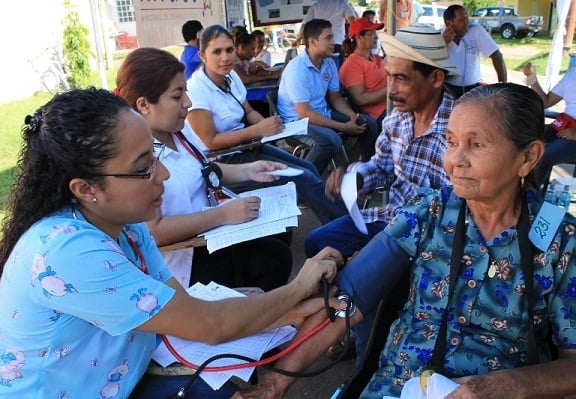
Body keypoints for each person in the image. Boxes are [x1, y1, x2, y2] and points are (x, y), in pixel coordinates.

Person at [0, 87, 343, 398]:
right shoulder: (66, 251)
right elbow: (209, 324)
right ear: (86, 189)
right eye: (143, 167)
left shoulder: (125, 223)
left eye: (156, 156)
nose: (163, 174)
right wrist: (298, 287)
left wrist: (281, 312)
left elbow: (182, 306)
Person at [234, 82, 576, 399]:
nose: (455, 160)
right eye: (452, 142)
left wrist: (510, 384)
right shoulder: (429, 212)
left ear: (529, 157)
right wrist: (275, 383)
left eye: (477, 144)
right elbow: (348, 299)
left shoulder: (561, 239)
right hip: (399, 386)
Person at [304, 23, 456, 362]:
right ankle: (347, 329)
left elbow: (452, 208)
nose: (392, 88)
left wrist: (376, 249)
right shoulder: (398, 119)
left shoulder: (458, 130)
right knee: (316, 243)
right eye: (389, 76)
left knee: (359, 278)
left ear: (436, 79)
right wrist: (355, 177)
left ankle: (364, 350)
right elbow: (383, 166)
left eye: (402, 78)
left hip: (425, 234)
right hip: (390, 212)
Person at [115, 47, 292, 292]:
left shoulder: (177, 131)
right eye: (177, 96)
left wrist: (249, 170)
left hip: (210, 234)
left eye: (185, 92)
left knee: (281, 236)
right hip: (183, 261)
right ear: (144, 105)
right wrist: (223, 215)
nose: (188, 103)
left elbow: (202, 168)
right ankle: (244, 322)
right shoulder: (136, 158)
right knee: (272, 258)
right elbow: (154, 232)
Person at [185, 25, 347, 225]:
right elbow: (210, 141)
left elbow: (249, 111)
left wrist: (270, 126)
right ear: (202, 55)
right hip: (225, 161)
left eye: (229, 50)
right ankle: (347, 228)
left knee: (308, 169)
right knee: (302, 177)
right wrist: (257, 130)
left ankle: (338, 227)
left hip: (248, 146)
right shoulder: (196, 89)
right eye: (216, 52)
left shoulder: (231, 77)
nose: (225, 58)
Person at [278, 19, 371, 174]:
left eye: (333, 37)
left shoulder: (329, 62)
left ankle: (369, 174)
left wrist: (352, 116)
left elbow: (335, 98)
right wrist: (344, 127)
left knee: (367, 123)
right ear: (313, 42)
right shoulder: (297, 69)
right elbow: (304, 113)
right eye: (328, 38)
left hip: (321, 113)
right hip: (297, 123)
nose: (334, 42)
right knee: (330, 141)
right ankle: (301, 183)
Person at [339, 17, 387, 160]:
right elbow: (361, 99)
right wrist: (390, 89)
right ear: (358, 37)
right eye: (371, 34)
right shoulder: (352, 65)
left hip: (392, 105)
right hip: (377, 113)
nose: (376, 37)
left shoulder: (375, 58)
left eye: (375, 33)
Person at [523, 61, 576, 187]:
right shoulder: (573, 73)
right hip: (563, 125)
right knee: (521, 141)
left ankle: (530, 200)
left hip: (573, 135)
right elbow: (545, 101)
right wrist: (531, 77)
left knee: (540, 156)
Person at [443, 4, 507, 99]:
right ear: (449, 23)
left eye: (467, 18)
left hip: (473, 88)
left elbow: (497, 55)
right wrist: (443, 43)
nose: (466, 23)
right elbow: (429, 62)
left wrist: (503, 86)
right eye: (461, 20)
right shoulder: (441, 35)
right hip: (448, 88)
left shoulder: (475, 31)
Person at [292, 0, 357, 66]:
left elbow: (305, 24)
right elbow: (352, 20)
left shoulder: (316, 5)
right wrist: (355, 38)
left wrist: (298, 39)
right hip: (337, 42)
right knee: (339, 70)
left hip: (320, 45)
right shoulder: (342, 3)